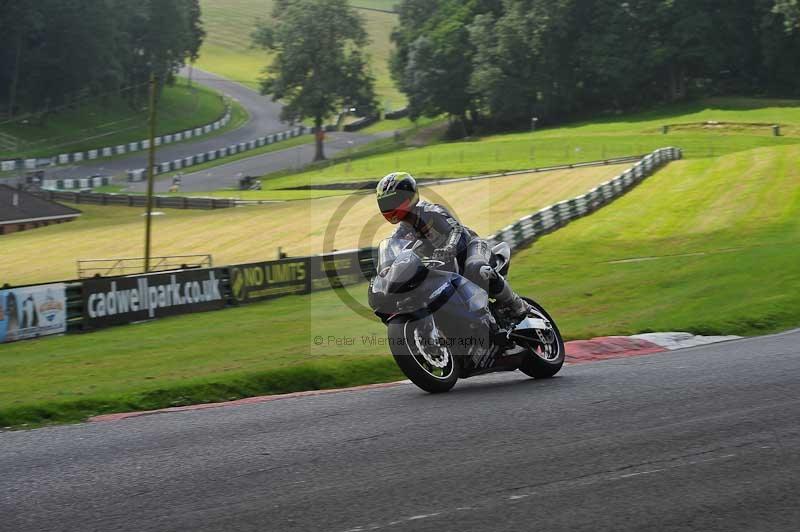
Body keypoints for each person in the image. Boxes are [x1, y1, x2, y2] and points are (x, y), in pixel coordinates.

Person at [376, 172, 532, 320]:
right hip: (443, 265)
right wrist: (387, 273)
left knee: (477, 268)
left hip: (470, 247)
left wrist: (448, 248)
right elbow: (395, 253)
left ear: (408, 196)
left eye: (392, 201)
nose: (389, 207)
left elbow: (456, 229)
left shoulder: (430, 211)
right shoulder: (400, 232)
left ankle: (516, 303)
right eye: (385, 203)